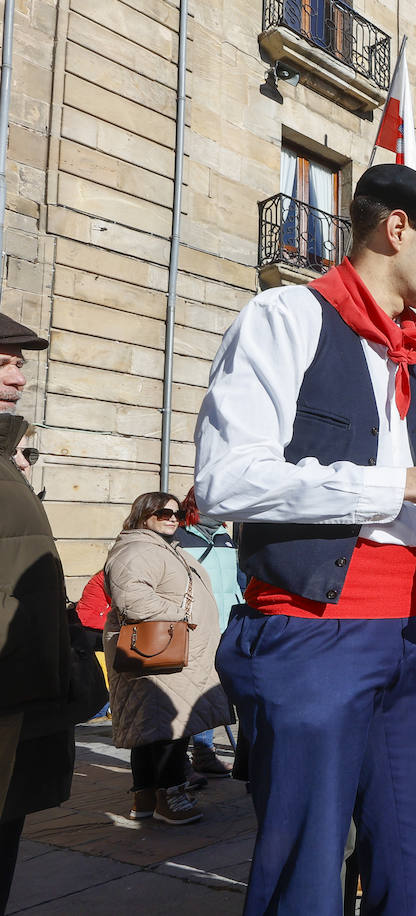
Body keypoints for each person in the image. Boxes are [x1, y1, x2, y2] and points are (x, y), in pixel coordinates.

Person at [196, 165, 416, 914]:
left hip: (411, 631)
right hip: (309, 634)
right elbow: (225, 480)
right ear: (395, 229)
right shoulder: (283, 317)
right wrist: (406, 482)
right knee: (304, 879)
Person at [0, 313, 88, 912]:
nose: (20, 375)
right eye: (5, 360)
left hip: (19, 708)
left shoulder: (10, 463)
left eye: (21, 362)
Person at [103, 492, 232, 825]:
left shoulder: (160, 547)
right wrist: (179, 618)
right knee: (170, 729)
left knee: (154, 728)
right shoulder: (137, 549)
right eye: (163, 513)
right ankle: (170, 796)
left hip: (173, 654)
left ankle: (144, 797)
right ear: (144, 515)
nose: (173, 518)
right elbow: (132, 598)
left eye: (175, 513)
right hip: (163, 651)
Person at [173, 487, 240, 780]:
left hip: (227, 624)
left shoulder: (226, 537)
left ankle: (204, 752)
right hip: (194, 626)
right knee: (188, 691)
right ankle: (179, 759)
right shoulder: (179, 536)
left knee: (214, 690)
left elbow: (240, 579)